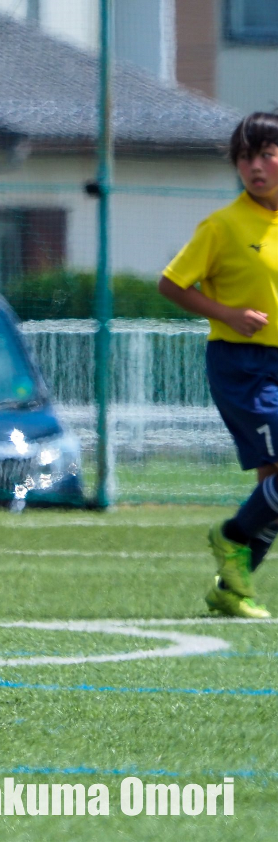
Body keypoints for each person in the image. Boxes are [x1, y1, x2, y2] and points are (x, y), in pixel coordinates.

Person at [159, 112, 278, 618]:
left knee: (272, 484)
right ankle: (229, 537)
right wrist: (228, 313)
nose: (256, 166)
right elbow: (171, 284)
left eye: (266, 154)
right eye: (245, 157)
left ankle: (233, 589)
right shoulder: (224, 225)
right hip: (245, 368)